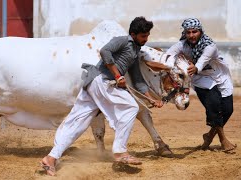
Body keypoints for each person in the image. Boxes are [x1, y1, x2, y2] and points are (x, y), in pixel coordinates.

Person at [40, 16, 163, 176]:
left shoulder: (135, 52)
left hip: (94, 84)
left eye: (147, 36)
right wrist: (117, 75)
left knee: (78, 123)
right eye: (143, 36)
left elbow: (138, 80)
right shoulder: (122, 41)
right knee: (131, 107)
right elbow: (105, 51)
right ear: (133, 34)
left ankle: (50, 158)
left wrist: (150, 98)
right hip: (100, 80)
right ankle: (120, 152)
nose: (146, 39)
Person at [166, 18, 236, 152]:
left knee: (228, 109)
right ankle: (223, 140)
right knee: (214, 105)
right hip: (201, 79)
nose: (191, 35)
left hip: (220, 76)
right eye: (188, 32)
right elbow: (168, 55)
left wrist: (195, 67)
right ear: (185, 33)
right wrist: (176, 63)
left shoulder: (210, 46)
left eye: (195, 32)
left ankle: (209, 136)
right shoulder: (182, 45)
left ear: (200, 31)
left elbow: (202, 60)